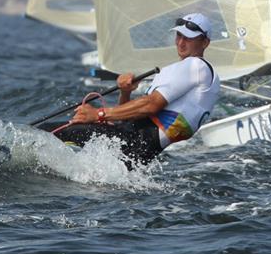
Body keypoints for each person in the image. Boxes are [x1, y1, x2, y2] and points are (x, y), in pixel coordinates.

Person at [50, 13, 221, 166]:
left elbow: (151, 105)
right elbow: (131, 117)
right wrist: (126, 92)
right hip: (135, 148)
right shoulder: (197, 73)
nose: (181, 42)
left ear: (205, 42)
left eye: (189, 38)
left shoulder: (196, 66)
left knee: (47, 133)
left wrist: (98, 114)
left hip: (133, 141)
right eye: (179, 35)